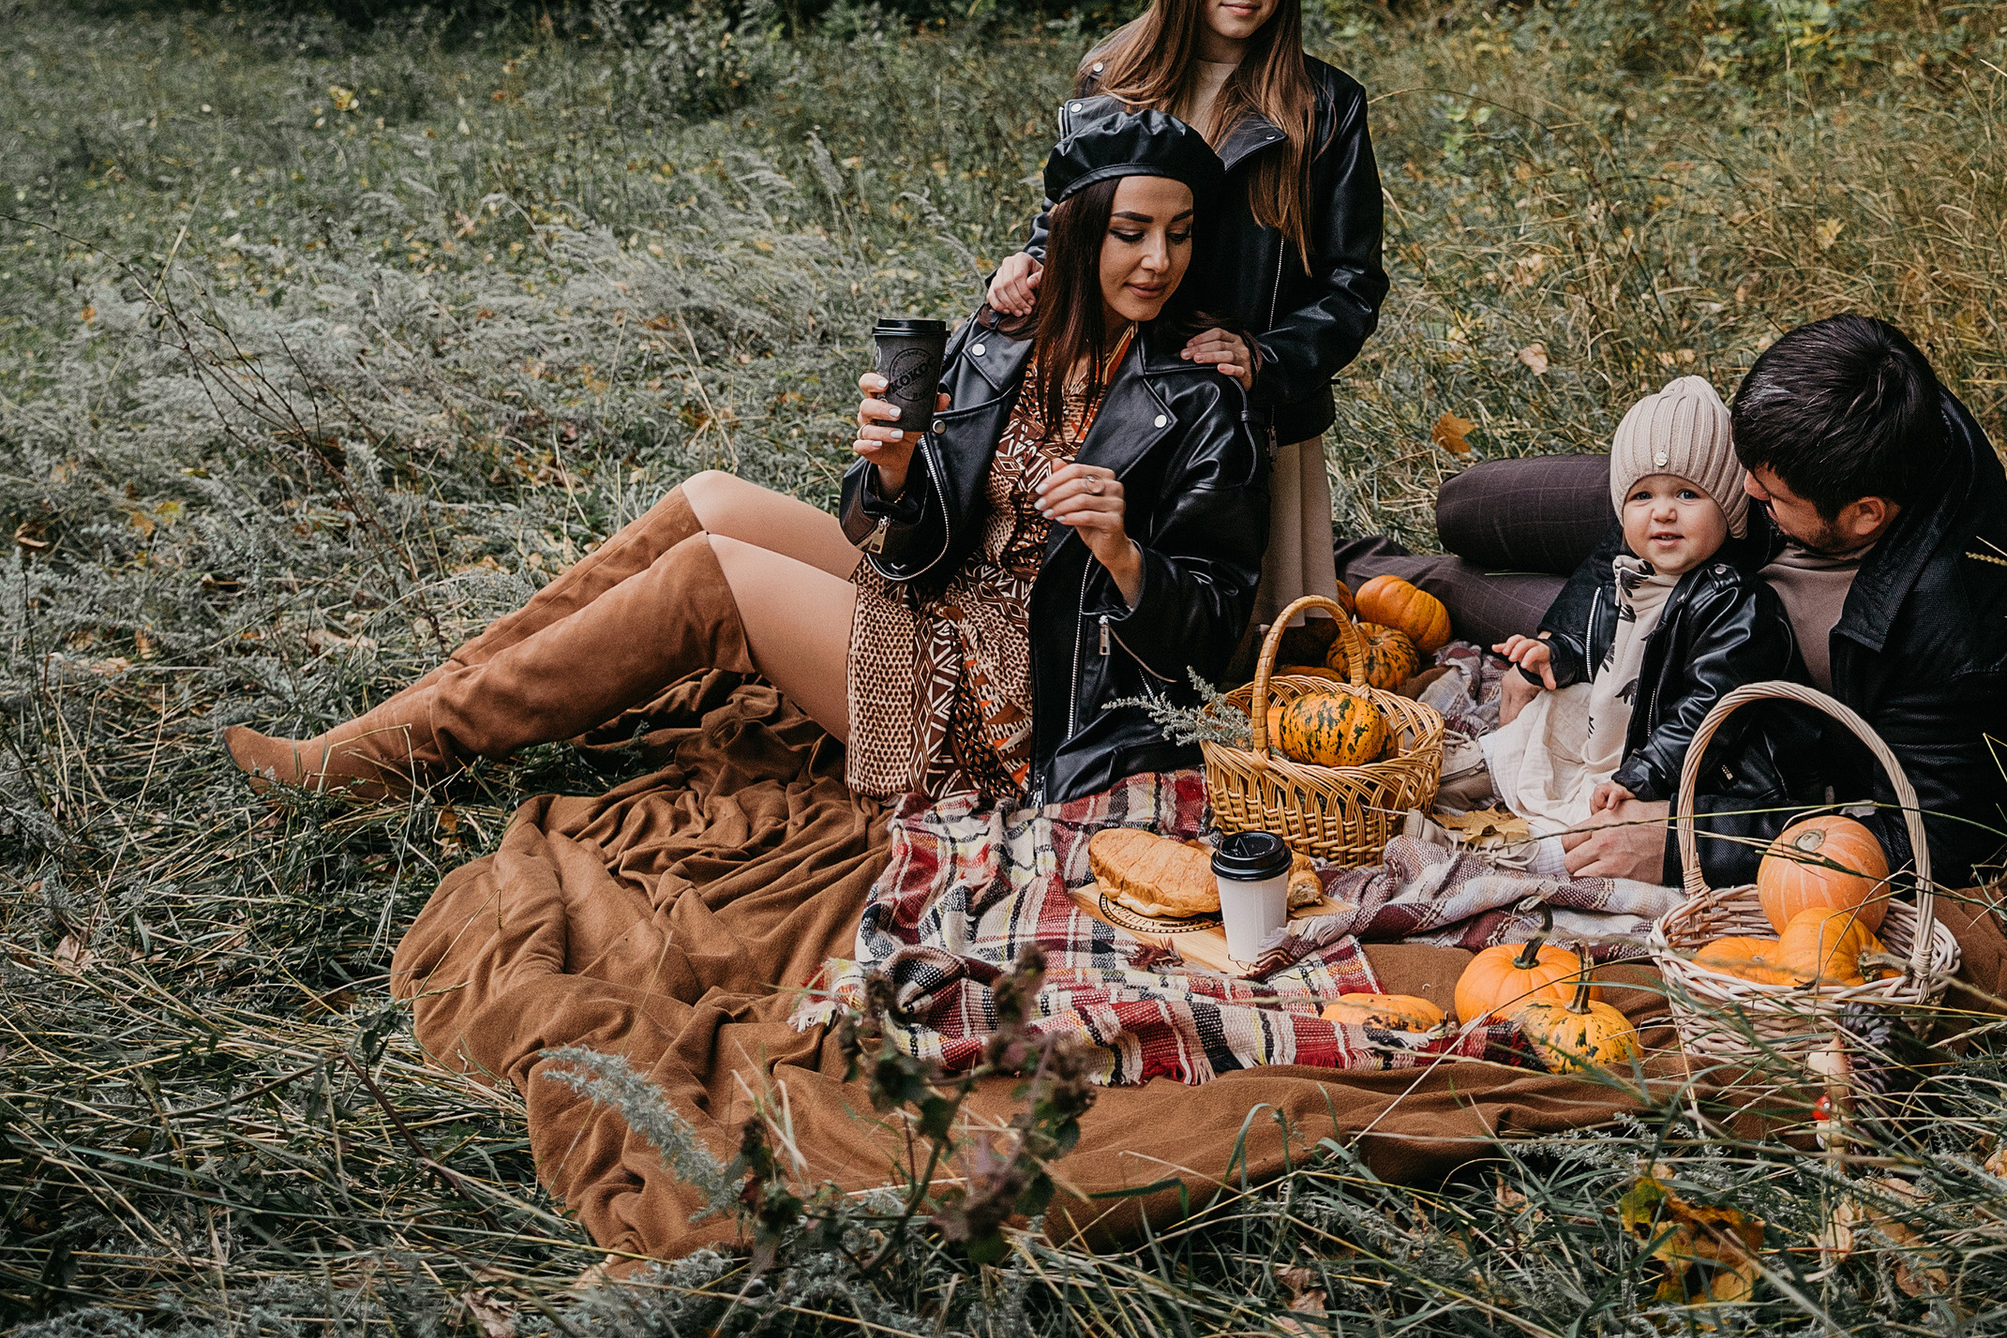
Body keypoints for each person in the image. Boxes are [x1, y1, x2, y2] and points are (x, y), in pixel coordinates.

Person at [223, 106, 1264, 810]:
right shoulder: (1003, 334)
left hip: (1020, 707)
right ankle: (409, 716)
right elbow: (897, 530)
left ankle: (381, 759)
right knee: (706, 497)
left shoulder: (1197, 397)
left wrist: (1123, 551)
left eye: (1177, 236)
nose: (1158, 262)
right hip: (936, 594)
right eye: (1132, 232)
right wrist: (893, 467)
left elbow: (1211, 629)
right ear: (1077, 232)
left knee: (712, 577)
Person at [1415, 316, 2007, 902]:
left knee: (1462, 589)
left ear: (1865, 514)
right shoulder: (1858, 410)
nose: (1744, 489)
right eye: (1749, 468)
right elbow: (1688, 497)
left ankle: (1378, 570)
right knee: (1467, 506)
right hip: (1674, 543)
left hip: (1687, 639)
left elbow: (1932, 833)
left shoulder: (1962, 636)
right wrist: (1567, 633)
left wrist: (1688, 843)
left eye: (1771, 497)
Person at [987, 0, 1384, 637]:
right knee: (1097, 600)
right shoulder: (1110, 76)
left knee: (1243, 633)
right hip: (1114, 386)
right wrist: (1029, 261)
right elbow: (1071, 211)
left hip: (1245, 406)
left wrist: (1264, 357)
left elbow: (1353, 284)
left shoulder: (1324, 106)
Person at [1442, 374, 1795, 833]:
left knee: (1591, 806)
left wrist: (1644, 776)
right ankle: (1497, 763)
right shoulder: (1631, 570)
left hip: (1677, 763)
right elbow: (1599, 640)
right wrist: (1559, 654)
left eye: (1687, 494)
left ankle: (1542, 816)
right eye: (1642, 496)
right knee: (1557, 700)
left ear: (1729, 509)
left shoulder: (1736, 604)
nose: (1663, 511)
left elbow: (1707, 711)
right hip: (1630, 733)